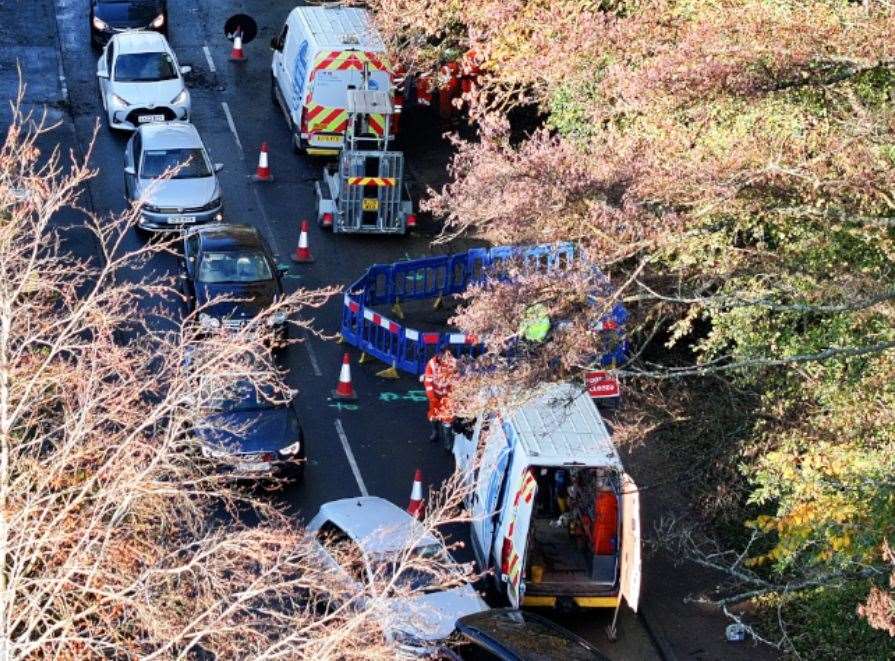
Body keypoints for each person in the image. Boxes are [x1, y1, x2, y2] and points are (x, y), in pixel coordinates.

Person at [422, 348, 458, 449]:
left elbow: (457, 382)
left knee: (448, 419)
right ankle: (435, 431)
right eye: (441, 356)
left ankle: (448, 442)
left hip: (448, 396)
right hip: (435, 395)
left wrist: (452, 396)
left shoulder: (454, 364)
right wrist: (432, 397)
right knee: (433, 415)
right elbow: (428, 382)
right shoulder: (431, 364)